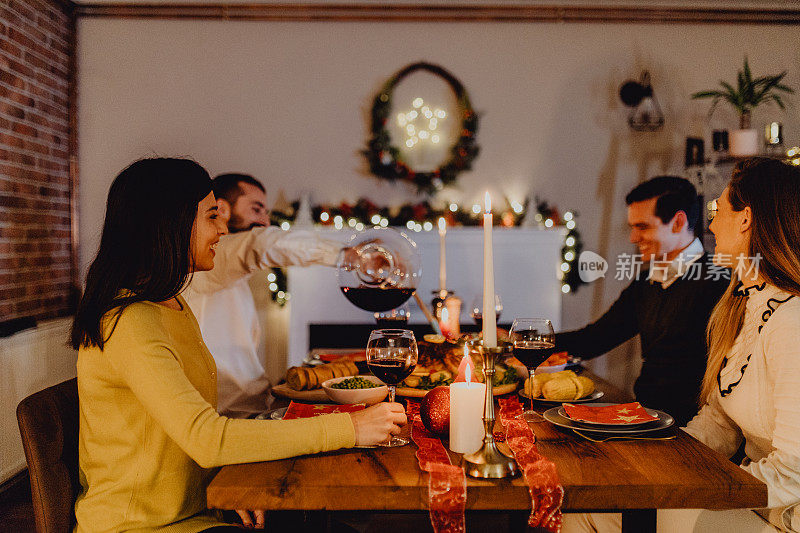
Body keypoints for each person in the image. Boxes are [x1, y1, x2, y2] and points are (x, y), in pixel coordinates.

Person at [70, 158, 406, 532]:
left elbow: (188, 439)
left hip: (198, 509)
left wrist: (230, 490)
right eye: (212, 216)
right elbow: (206, 438)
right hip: (142, 526)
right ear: (171, 222)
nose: (221, 230)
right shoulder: (131, 320)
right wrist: (352, 428)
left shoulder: (173, 304)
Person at [563, 157, 800, 532]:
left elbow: (792, 471)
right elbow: (719, 422)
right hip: (743, 488)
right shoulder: (742, 304)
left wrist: (692, 486)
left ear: (746, 219)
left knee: (646, 510)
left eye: (717, 211)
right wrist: (665, 460)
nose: (709, 223)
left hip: (779, 511)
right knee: (586, 505)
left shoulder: (791, 322)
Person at [555, 176, 728, 425]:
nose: (633, 238)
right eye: (632, 227)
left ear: (678, 222)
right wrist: (527, 341)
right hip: (646, 417)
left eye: (643, 227)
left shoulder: (720, 279)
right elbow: (596, 337)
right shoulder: (647, 279)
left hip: (695, 429)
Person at [183, 173, 348, 417]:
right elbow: (260, 244)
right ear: (223, 209)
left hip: (254, 406)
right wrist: (346, 255)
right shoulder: (212, 260)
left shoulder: (230, 271)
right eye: (257, 209)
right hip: (229, 415)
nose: (265, 221)